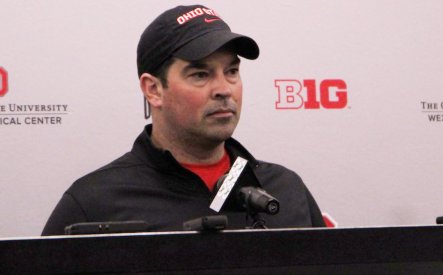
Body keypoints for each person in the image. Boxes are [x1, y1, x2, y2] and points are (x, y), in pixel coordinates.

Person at [42, 4, 325, 236]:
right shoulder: (94, 202)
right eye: (200, 75)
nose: (224, 89)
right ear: (153, 89)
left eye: (232, 71)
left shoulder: (286, 189)